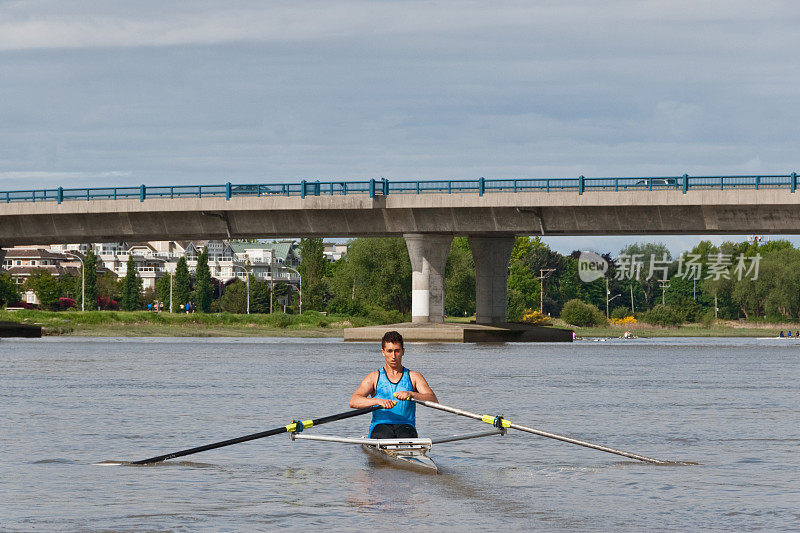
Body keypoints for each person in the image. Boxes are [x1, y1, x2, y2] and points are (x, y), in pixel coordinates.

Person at [349, 331, 438, 439]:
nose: (393, 356)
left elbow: (433, 399)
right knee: (385, 435)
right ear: (383, 352)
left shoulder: (414, 376)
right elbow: (353, 401)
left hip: (406, 426)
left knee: (405, 436)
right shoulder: (374, 377)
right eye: (389, 351)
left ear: (403, 351)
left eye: (397, 351)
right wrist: (378, 401)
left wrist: (411, 394)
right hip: (380, 426)